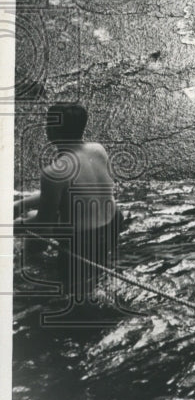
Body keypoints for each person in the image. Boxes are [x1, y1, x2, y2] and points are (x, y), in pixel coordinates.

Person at [14, 103, 123, 302]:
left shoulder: (54, 172)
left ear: (53, 130)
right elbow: (73, 193)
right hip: (113, 223)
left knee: (73, 293)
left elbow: (43, 227)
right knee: (29, 216)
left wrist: (9, 227)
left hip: (83, 241)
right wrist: (20, 205)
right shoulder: (97, 150)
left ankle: (30, 271)